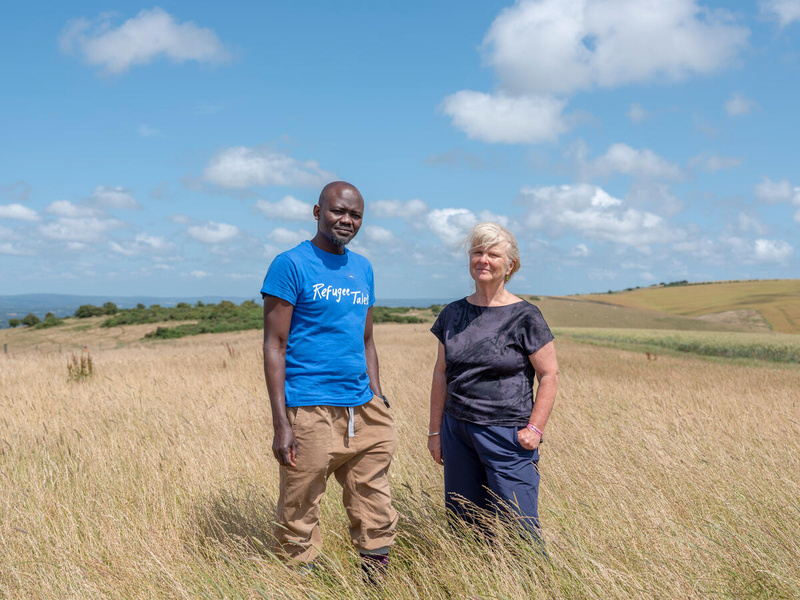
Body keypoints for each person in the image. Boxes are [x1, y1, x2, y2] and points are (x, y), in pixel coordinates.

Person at [261, 181, 397, 582]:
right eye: (339, 211)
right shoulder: (290, 264)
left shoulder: (363, 268)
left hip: (363, 407)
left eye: (355, 215)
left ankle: (374, 581)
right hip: (310, 406)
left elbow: (367, 338)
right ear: (317, 211)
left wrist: (377, 393)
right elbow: (274, 345)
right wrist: (282, 422)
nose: (347, 220)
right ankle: (300, 581)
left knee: (373, 498)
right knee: (300, 503)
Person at [427, 222, 559, 539]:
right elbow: (441, 372)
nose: (483, 260)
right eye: (477, 252)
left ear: (510, 265)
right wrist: (435, 431)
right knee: (465, 525)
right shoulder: (453, 313)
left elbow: (549, 374)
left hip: (507, 434)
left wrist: (535, 429)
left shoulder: (526, 316)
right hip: (457, 430)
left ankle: (531, 585)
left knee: (521, 528)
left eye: (493, 254)